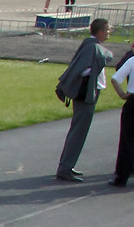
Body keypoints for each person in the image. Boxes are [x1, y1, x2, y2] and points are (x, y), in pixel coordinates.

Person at [55, 18, 112, 182]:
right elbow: (84, 70)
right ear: (100, 32)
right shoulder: (93, 48)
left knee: (77, 130)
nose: (109, 33)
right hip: (86, 95)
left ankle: (66, 165)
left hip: (86, 93)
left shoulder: (88, 45)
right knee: (79, 132)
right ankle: (65, 168)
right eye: (107, 30)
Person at [110, 48, 134, 186]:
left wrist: (122, 94)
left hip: (132, 99)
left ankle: (122, 176)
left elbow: (115, 79)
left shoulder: (131, 60)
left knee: (127, 139)